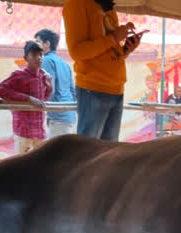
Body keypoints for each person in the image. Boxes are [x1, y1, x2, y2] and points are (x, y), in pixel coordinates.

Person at [62, 0, 146, 141]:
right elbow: (76, 51)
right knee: (88, 153)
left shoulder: (108, 6)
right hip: (93, 89)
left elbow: (109, 52)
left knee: (108, 154)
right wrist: (114, 38)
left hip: (116, 89)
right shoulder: (77, 3)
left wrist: (125, 49)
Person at [0, 41, 53, 155]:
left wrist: (49, 88)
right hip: (24, 131)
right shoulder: (19, 75)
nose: (39, 58)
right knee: (21, 165)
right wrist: (28, 98)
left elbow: (42, 101)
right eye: (35, 55)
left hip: (39, 130)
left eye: (41, 54)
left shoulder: (43, 75)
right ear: (26, 58)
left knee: (41, 163)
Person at [34, 28, 77, 137]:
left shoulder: (46, 60)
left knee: (57, 153)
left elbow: (49, 90)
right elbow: (73, 91)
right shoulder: (64, 63)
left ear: (47, 44)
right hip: (68, 115)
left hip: (58, 116)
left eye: (38, 42)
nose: (35, 45)